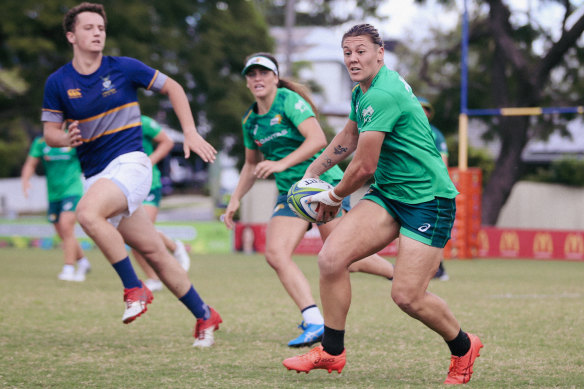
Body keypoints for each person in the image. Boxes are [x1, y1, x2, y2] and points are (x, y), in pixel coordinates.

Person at [282, 24, 483, 384]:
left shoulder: (383, 94)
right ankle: (331, 352)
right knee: (331, 259)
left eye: (360, 51)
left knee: (407, 296)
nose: (353, 59)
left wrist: (331, 196)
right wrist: (311, 172)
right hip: (390, 194)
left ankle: (463, 346)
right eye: (347, 52)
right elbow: (349, 135)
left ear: (380, 53)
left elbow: (363, 165)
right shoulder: (364, 91)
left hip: (428, 200)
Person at [41, 2, 221, 347]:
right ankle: (204, 314)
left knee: (87, 214)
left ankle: (133, 287)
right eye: (89, 27)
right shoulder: (58, 82)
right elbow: (50, 133)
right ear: (71, 35)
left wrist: (192, 132)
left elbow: (174, 88)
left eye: (101, 28)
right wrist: (66, 137)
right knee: (154, 251)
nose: (97, 33)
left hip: (131, 164)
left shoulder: (124, 68)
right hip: (96, 177)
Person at [223, 52, 394, 348]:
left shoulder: (289, 101)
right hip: (290, 195)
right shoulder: (250, 121)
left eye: (264, 72)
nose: (258, 78)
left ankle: (400, 274)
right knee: (275, 254)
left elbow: (316, 140)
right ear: (247, 82)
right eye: (252, 74)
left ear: (275, 78)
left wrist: (279, 164)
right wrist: (235, 199)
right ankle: (314, 320)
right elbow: (251, 165)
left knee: (346, 261)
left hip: (322, 186)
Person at [131, 115, 191, 292]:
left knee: (142, 230)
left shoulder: (142, 121)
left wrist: (148, 162)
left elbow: (167, 142)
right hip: (126, 187)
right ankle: (154, 278)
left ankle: (174, 246)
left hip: (150, 184)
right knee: (134, 238)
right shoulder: (109, 122)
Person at [21, 135, 91, 282]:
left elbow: (89, 159)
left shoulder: (73, 138)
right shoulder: (40, 142)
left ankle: (69, 268)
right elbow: (30, 164)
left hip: (73, 191)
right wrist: (25, 180)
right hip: (53, 194)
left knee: (66, 227)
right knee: (62, 232)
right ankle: (83, 262)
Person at [418, 97, 450, 281]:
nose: (423, 112)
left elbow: (442, 162)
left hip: (431, 188)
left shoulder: (435, 134)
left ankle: (439, 267)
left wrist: (436, 183)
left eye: (425, 109)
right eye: (419, 108)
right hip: (409, 187)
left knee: (434, 228)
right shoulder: (404, 129)